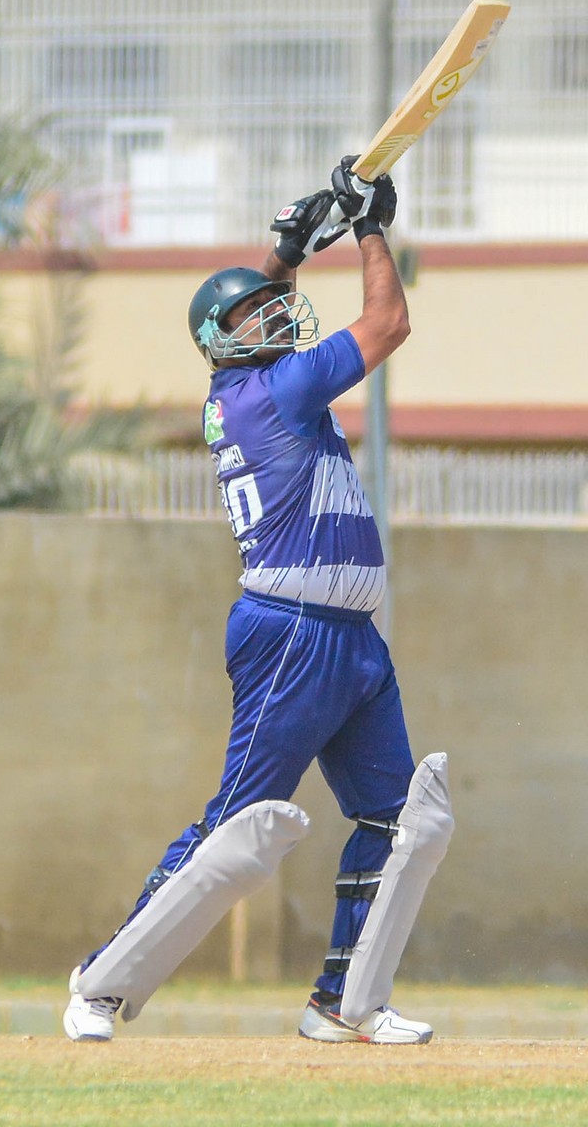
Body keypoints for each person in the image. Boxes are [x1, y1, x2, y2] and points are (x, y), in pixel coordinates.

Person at [63, 158, 454, 1045]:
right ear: (225, 341)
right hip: (292, 634)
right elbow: (388, 323)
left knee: (404, 822)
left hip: (351, 636)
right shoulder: (277, 390)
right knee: (236, 829)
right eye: (259, 316)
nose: (278, 316)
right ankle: (100, 985)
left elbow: (247, 311)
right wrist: (369, 227)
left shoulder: (245, 389)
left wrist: (287, 252)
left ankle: (344, 1004)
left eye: (275, 307)